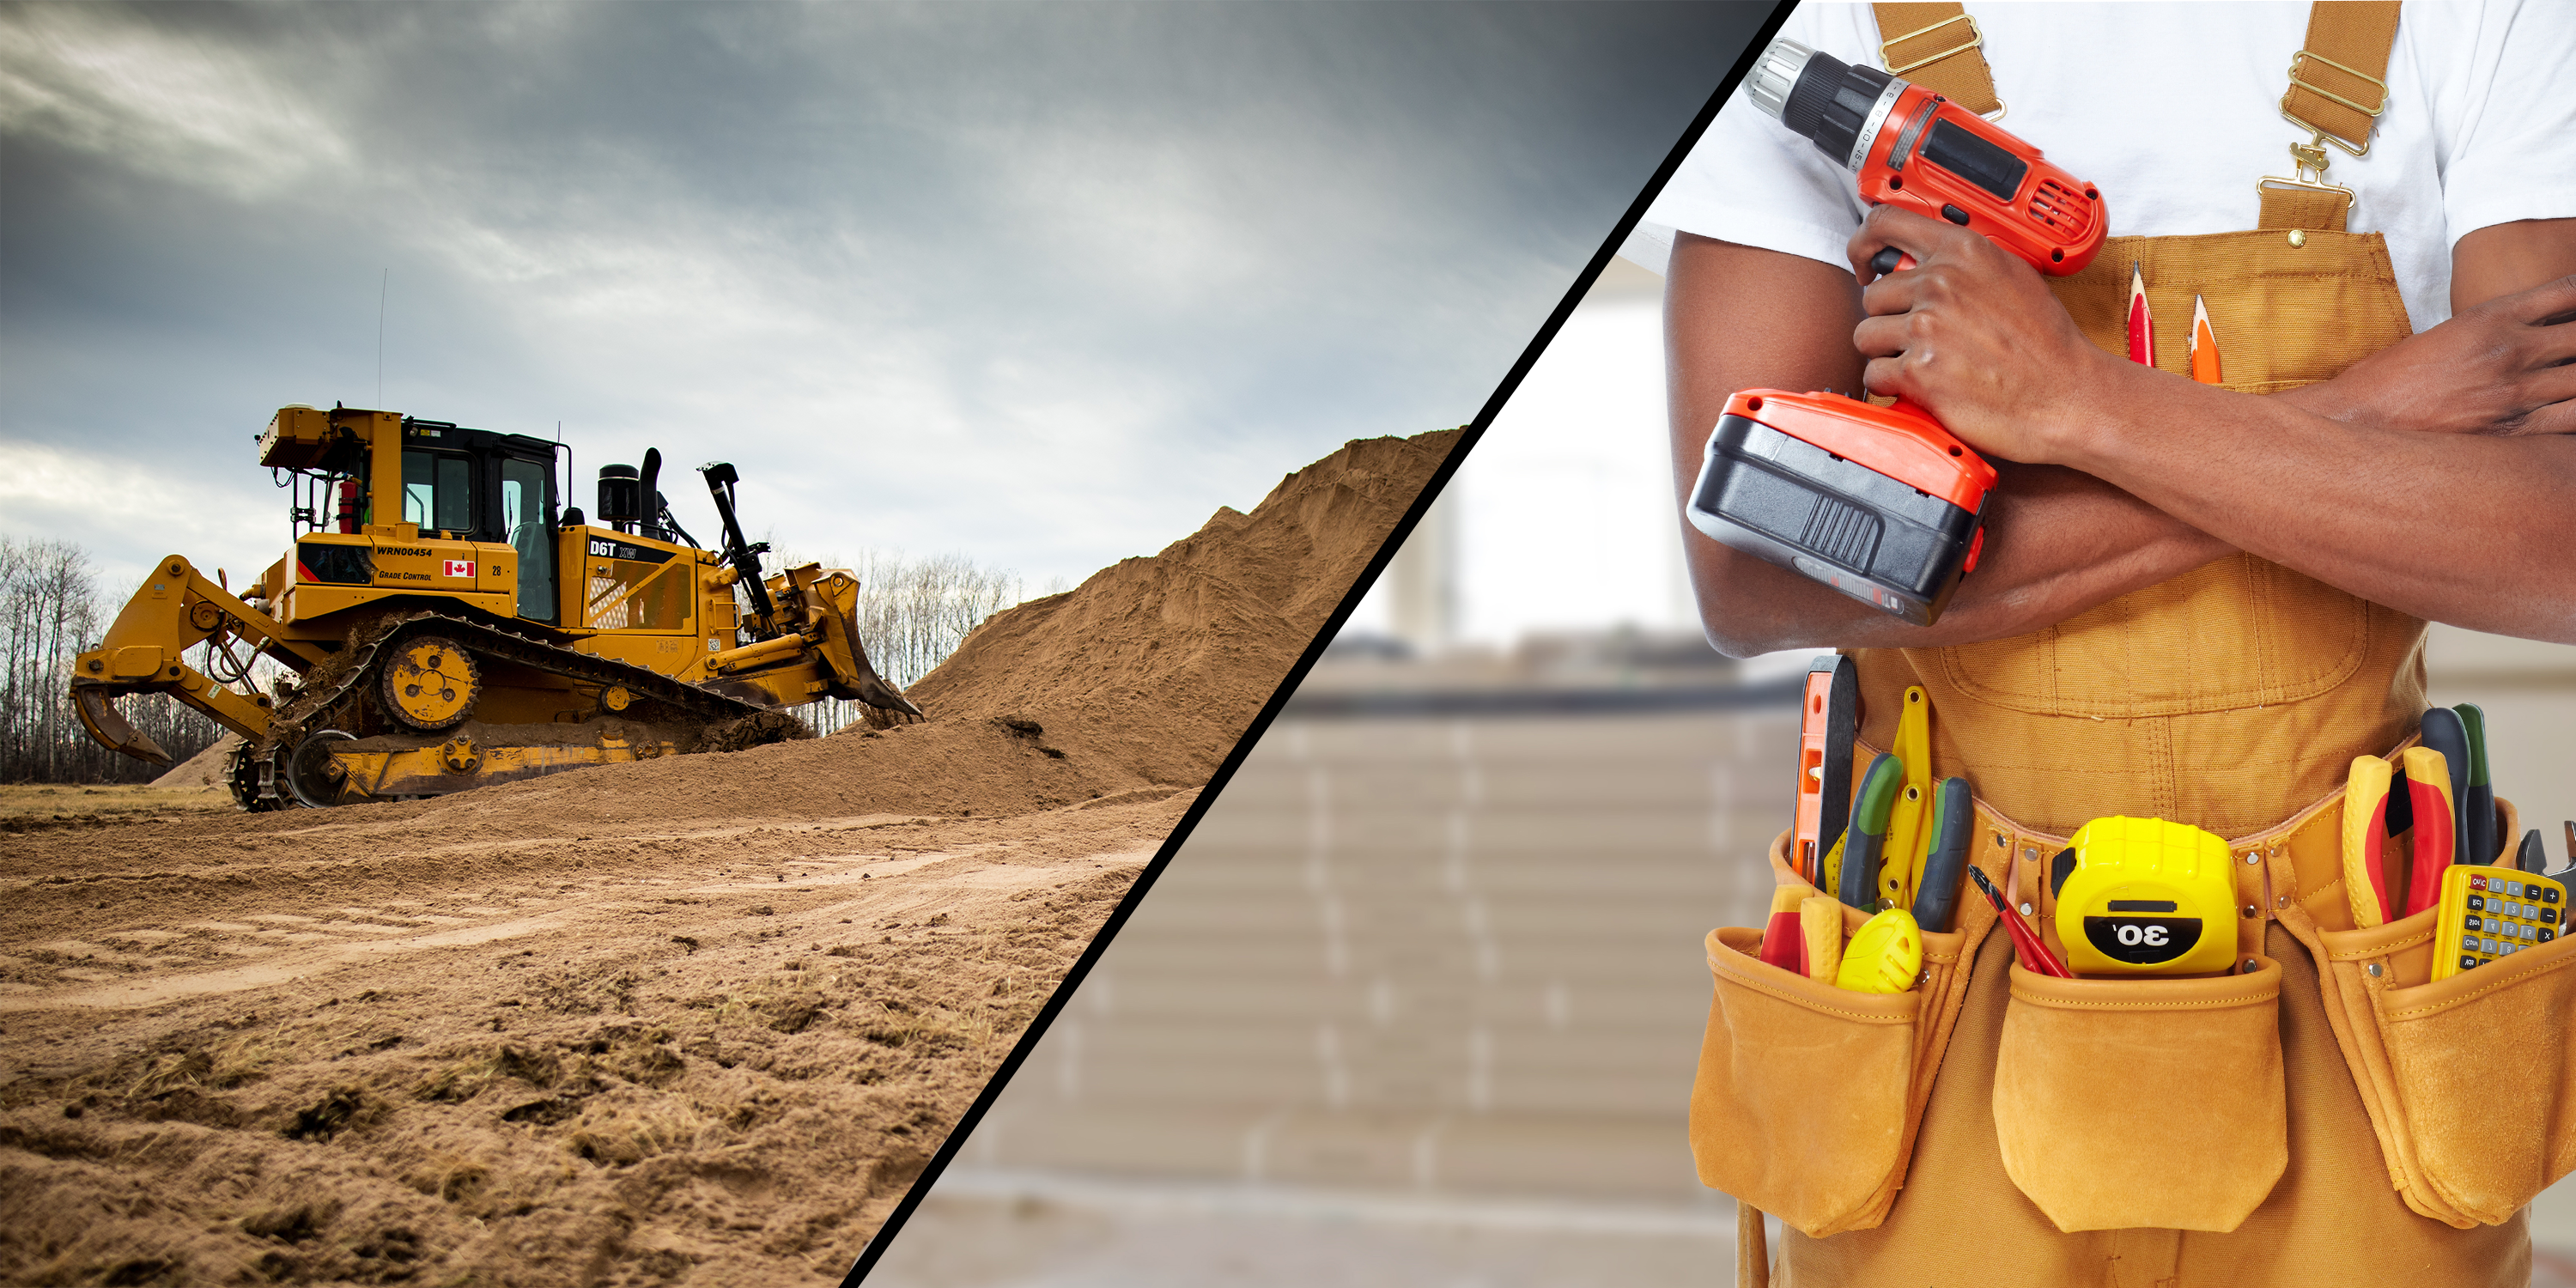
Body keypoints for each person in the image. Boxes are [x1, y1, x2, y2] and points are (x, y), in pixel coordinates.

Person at [1644, 3, 2576, 1285]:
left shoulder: (2484, 20)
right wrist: (2371, 415)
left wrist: (2082, 407)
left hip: (2356, 997)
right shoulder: (1809, 37)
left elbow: (2558, 546)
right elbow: (1755, 573)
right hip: (1934, 971)